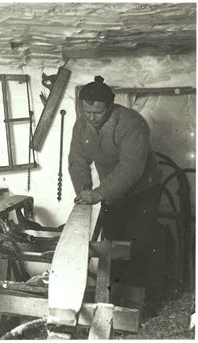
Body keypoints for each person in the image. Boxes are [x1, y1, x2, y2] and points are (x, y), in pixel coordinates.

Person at [68, 75, 166, 315]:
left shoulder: (132, 123)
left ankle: (139, 303)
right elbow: (78, 160)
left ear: (110, 107)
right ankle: (114, 299)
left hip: (144, 190)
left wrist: (99, 193)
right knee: (111, 242)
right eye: (86, 111)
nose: (91, 118)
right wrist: (84, 192)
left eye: (97, 113)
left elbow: (131, 169)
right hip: (113, 191)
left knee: (139, 242)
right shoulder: (82, 125)